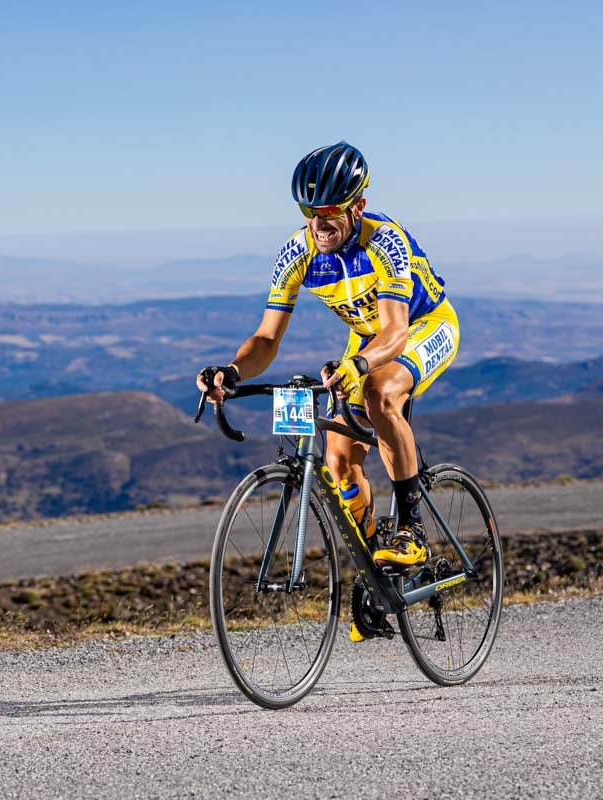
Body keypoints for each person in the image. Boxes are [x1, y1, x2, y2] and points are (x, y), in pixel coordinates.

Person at [197, 141, 460, 574]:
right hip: (365, 339)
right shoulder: (296, 254)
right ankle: (377, 572)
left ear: (358, 205)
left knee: (380, 392)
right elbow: (266, 338)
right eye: (308, 211)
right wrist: (231, 371)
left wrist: (358, 365)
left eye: (329, 211)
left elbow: (395, 331)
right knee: (338, 460)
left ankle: (412, 530)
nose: (318, 223)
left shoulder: (385, 242)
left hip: (423, 326)